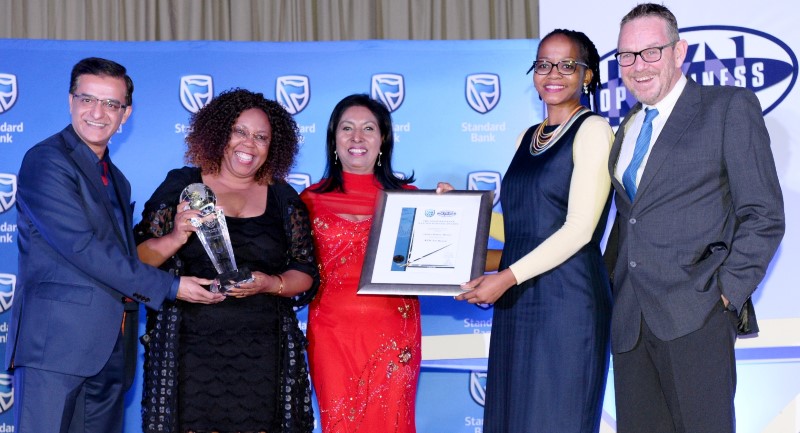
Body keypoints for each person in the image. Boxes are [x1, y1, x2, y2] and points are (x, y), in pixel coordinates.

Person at [4, 57, 223, 433]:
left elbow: (121, 258)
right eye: (87, 99)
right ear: (71, 101)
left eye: (110, 104)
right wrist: (172, 287)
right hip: (55, 351)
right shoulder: (47, 161)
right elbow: (82, 248)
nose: (97, 112)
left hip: (111, 350)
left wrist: (175, 237)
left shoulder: (116, 179)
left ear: (126, 113)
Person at [607, 4, 785, 433]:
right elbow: (631, 221)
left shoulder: (727, 108)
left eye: (651, 52)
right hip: (631, 322)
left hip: (697, 315)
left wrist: (724, 297)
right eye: (627, 55)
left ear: (679, 51)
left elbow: (763, 213)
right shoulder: (627, 126)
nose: (638, 65)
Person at [134, 88, 318, 433]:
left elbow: (305, 270)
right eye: (240, 131)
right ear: (220, 133)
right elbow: (138, 261)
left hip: (263, 353)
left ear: (273, 146)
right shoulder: (183, 185)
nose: (249, 144)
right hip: (191, 351)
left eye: (261, 137)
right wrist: (176, 236)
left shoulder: (282, 196)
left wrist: (271, 283)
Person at [456, 30, 614, 432]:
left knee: (555, 419)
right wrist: (452, 210)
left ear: (587, 75)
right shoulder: (526, 137)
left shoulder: (593, 129)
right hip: (518, 300)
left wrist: (505, 278)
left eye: (567, 65)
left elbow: (579, 229)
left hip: (568, 301)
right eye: (543, 64)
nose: (553, 73)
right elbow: (522, 229)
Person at [300, 94, 422, 433]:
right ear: (333, 138)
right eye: (347, 128)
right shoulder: (308, 200)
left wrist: (449, 210)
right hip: (331, 336)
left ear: (383, 139)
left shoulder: (411, 198)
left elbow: (442, 258)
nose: (357, 137)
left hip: (394, 334)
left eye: (368, 128)